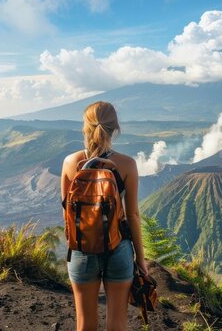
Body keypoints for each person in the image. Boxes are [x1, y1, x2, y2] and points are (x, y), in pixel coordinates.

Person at [61, 101, 148, 331]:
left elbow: (66, 212)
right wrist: (140, 259)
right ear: (115, 129)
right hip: (118, 249)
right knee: (117, 324)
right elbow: (133, 215)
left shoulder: (70, 163)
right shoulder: (127, 165)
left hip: (81, 249)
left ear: (85, 127)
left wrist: (77, 247)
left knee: (85, 324)